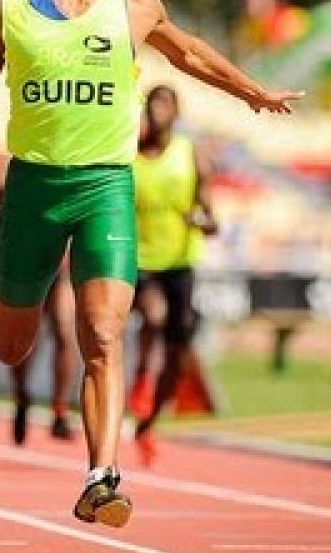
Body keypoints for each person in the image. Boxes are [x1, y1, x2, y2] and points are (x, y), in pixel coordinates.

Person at [0, 0, 302, 528]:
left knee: (105, 332)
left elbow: (190, 52)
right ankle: (41, 384)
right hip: (34, 189)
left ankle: (102, 475)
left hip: (104, 187)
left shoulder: (136, 4)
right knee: (12, 345)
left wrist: (251, 91)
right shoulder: (8, 11)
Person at [128, 85, 218, 468]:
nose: (158, 109)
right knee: (154, 316)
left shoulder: (191, 154)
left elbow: (211, 217)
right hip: (140, 259)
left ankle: (149, 423)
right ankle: (141, 375)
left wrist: (201, 219)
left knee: (179, 352)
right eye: (153, 103)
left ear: (177, 112)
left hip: (181, 262)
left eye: (166, 103)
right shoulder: (129, 154)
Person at [0, 155, 77, 445]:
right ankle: (22, 397)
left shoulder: (71, 155)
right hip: (25, 255)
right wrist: (21, 183)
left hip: (61, 262)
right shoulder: (7, 160)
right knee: (24, 340)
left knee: (64, 329)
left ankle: (60, 411)